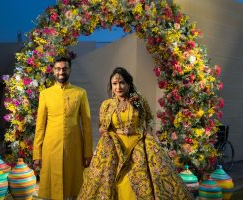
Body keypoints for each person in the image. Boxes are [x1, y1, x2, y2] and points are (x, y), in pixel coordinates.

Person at [78, 67, 193, 200]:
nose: (118, 87)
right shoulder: (107, 104)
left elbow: (149, 119)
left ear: (129, 84)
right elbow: (102, 127)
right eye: (114, 84)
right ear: (111, 86)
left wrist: (147, 134)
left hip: (138, 143)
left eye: (122, 83)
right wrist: (105, 133)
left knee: (140, 178)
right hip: (115, 146)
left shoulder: (138, 100)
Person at [33, 56, 93, 200]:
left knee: (73, 186)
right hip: (51, 146)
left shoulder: (80, 93)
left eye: (64, 68)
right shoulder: (45, 94)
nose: (61, 71)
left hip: (74, 146)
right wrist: (37, 154)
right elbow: (40, 126)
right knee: (52, 187)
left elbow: (86, 125)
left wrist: (88, 152)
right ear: (53, 71)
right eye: (58, 68)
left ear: (69, 70)